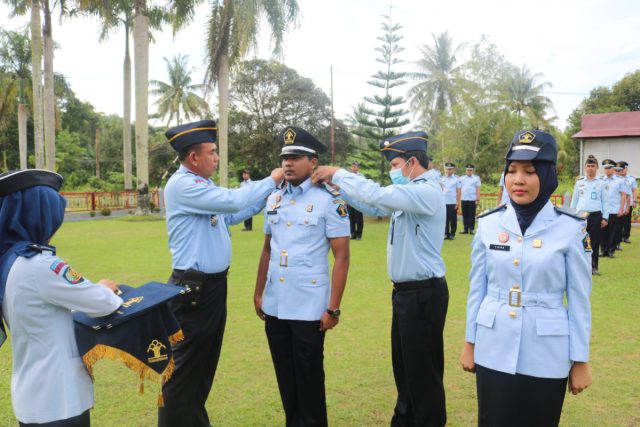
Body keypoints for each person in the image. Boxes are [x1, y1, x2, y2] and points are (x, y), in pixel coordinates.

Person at [312, 131, 448, 427]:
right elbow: (374, 206)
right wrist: (338, 186)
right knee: (405, 367)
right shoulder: (411, 191)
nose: (393, 170)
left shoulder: (425, 191)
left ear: (412, 162)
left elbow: (378, 195)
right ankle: (404, 421)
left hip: (423, 294)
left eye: (396, 163)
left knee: (422, 373)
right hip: (405, 294)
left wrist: (339, 172)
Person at [460, 129, 592, 427]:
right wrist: (470, 342)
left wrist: (580, 359)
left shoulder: (570, 228)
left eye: (530, 171)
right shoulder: (489, 224)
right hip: (493, 345)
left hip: (547, 352)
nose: (518, 180)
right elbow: (476, 288)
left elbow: (580, 300)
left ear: (546, 176)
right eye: (512, 170)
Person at [160, 120, 284, 427]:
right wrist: (271, 179)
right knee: (184, 369)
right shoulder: (183, 185)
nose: (217, 158)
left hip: (211, 288)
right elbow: (233, 200)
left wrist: (265, 200)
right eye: (212, 152)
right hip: (193, 291)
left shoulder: (202, 186)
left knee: (202, 367)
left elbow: (232, 214)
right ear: (193, 158)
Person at [0, 169, 123, 426]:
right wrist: (104, 287)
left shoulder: (9, 261)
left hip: (34, 394)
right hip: (57, 400)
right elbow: (102, 303)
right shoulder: (39, 265)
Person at [253, 126, 350, 427]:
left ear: (313, 162)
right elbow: (267, 249)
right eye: (285, 157)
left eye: (296, 157)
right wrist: (258, 294)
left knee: (308, 377)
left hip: (309, 307)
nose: (288, 163)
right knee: (285, 375)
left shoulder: (329, 199)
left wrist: (332, 307)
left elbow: (342, 257)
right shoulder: (274, 199)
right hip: (276, 304)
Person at [570, 155, 609, 275]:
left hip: (596, 216)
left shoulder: (601, 183)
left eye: (593, 166)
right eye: (588, 166)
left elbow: (605, 201)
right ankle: (580, 267)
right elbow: (574, 200)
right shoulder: (579, 182)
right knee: (579, 242)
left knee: (594, 242)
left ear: (597, 168)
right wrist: (571, 215)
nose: (590, 168)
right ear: (585, 167)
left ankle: (593, 267)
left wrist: (605, 217)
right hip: (581, 216)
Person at [599, 159, 626, 258]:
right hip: (603, 211)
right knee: (603, 232)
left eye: (609, 168)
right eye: (605, 168)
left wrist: (621, 208)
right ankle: (603, 250)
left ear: (613, 168)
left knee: (613, 232)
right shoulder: (601, 180)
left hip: (614, 210)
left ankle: (611, 251)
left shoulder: (619, 181)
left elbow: (623, 195)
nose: (607, 170)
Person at [441, 162, 461, 240]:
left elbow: (458, 191)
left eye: (450, 169)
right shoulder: (442, 179)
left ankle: (452, 233)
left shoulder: (456, 179)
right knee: (445, 219)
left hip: (452, 202)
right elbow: (440, 190)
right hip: (444, 202)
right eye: (447, 169)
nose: (449, 171)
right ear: (445, 169)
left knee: (453, 219)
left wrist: (458, 202)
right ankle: (446, 234)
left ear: (453, 170)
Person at [614, 161, 631, 251]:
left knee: (619, 227)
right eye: (615, 170)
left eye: (619, 171)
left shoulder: (625, 182)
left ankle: (617, 243)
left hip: (620, 208)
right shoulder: (608, 181)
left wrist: (627, 207)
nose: (617, 172)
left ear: (622, 171)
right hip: (610, 208)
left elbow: (627, 196)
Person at [619, 161, 637, 243]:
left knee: (627, 221)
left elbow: (634, 191)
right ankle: (618, 237)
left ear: (626, 169)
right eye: (621, 169)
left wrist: (634, 201)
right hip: (618, 203)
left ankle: (626, 237)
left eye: (624, 169)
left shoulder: (631, 179)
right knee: (618, 221)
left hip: (628, 203)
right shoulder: (616, 178)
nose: (622, 170)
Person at [460, 164, 481, 234]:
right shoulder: (461, 178)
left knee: (472, 215)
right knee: (465, 214)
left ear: (473, 171)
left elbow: (478, 189)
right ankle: (465, 229)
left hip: (472, 199)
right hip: (464, 199)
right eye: (468, 170)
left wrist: (477, 199)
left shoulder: (476, 178)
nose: (469, 171)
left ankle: (471, 229)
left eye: (470, 170)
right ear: (466, 171)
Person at [347, 161, 365, 240]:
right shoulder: (348, 176)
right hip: (350, 200)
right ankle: (353, 234)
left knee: (359, 218)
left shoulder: (361, 177)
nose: (352, 168)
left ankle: (359, 235)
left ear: (358, 168)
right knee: (351, 218)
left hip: (358, 200)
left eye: (354, 166)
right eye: (352, 166)